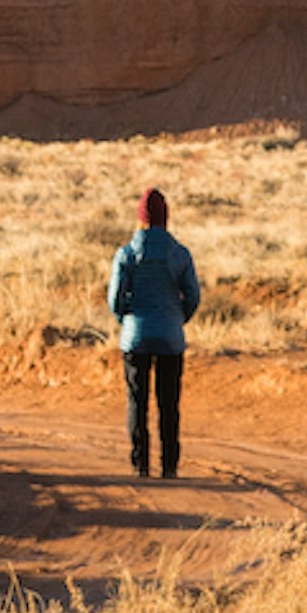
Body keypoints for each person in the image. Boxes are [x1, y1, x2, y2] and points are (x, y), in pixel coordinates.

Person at [104, 184, 202, 479]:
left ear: (141, 219)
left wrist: (127, 319)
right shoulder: (180, 254)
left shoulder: (126, 254)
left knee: (138, 401)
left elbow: (114, 299)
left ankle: (141, 465)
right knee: (168, 403)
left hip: (136, 338)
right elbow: (193, 295)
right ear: (165, 218)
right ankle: (169, 466)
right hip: (171, 338)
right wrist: (176, 318)